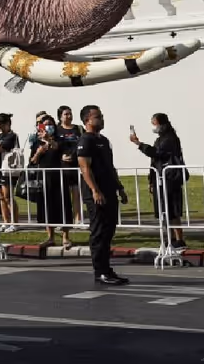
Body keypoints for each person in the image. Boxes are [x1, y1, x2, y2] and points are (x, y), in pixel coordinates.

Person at [76, 105, 128, 285]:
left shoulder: (104, 141)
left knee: (108, 231)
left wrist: (119, 187)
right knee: (99, 231)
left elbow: (110, 166)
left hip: (109, 191)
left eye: (102, 116)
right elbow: (85, 168)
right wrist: (95, 190)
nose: (102, 119)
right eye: (98, 117)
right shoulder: (86, 140)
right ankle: (100, 271)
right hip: (96, 194)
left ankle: (107, 269)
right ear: (87, 121)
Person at [131, 113, 187, 249]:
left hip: (170, 178)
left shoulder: (170, 139)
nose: (154, 127)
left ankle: (179, 238)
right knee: (163, 210)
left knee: (172, 210)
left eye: (155, 124)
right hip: (160, 177)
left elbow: (157, 153)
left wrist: (139, 144)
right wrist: (151, 179)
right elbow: (154, 161)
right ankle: (170, 238)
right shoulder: (160, 139)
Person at [29, 112, 72, 248]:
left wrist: (49, 140)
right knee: (47, 207)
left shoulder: (59, 139)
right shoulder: (37, 142)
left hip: (59, 176)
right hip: (44, 178)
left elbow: (58, 148)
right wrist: (39, 152)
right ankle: (50, 236)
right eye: (45, 125)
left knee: (62, 205)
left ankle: (66, 237)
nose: (48, 127)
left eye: (50, 125)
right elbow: (33, 161)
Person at [56, 105, 85, 226]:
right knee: (64, 195)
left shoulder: (78, 129)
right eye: (66, 114)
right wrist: (60, 156)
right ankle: (64, 220)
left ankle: (78, 219)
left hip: (77, 165)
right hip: (63, 166)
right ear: (60, 117)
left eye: (70, 113)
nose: (69, 116)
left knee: (77, 193)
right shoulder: (57, 130)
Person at [0, 113, 21, 231]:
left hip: (8, 168)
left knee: (8, 196)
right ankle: (6, 221)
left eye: (0, 124)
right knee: (1, 197)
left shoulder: (12, 136)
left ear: (7, 124)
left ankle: (15, 222)